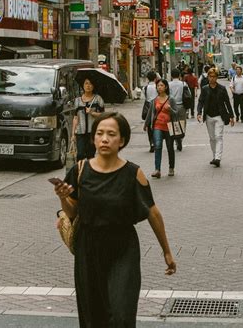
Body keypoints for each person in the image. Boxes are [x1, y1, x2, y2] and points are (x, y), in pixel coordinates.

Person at [53, 112, 176, 327]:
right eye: (99, 133)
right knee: (93, 316)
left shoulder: (133, 173)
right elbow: (72, 212)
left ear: (122, 140)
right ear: (93, 139)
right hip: (88, 248)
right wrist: (64, 198)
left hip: (122, 248)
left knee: (122, 315)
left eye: (111, 134)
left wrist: (166, 251)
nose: (104, 139)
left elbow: (152, 212)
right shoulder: (80, 170)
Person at [197, 68, 235, 168]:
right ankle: (214, 156)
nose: (212, 78)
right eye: (210, 76)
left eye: (214, 76)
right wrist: (199, 112)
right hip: (209, 116)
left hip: (220, 116)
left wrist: (231, 116)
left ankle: (218, 158)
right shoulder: (205, 89)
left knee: (218, 136)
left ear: (216, 77)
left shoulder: (222, 89)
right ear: (208, 77)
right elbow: (200, 101)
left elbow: (227, 102)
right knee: (212, 138)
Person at [143, 79, 179, 178]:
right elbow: (150, 113)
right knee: (158, 146)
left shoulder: (171, 99)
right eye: (158, 86)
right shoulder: (155, 100)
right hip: (157, 126)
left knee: (170, 147)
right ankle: (157, 169)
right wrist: (146, 124)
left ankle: (171, 168)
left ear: (166, 87)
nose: (159, 87)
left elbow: (176, 113)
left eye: (161, 85)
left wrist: (170, 109)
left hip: (169, 126)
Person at [72, 78, 105, 160]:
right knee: (80, 155)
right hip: (80, 132)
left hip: (92, 132)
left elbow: (103, 116)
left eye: (90, 84)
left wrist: (92, 113)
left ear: (93, 86)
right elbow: (75, 118)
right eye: (86, 83)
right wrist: (73, 134)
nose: (88, 86)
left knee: (90, 155)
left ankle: (89, 172)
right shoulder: (77, 101)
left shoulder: (98, 99)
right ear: (83, 86)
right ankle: (81, 171)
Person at [169, 68, 190, 152]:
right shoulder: (183, 84)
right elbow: (189, 95)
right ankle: (180, 139)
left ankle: (175, 139)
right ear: (179, 75)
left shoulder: (168, 84)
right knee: (182, 123)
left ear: (171, 75)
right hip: (181, 106)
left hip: (171, 106)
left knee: (172, 122)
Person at [141, 70, 158, 153]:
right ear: (155, 78)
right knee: (156, 124)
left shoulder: (145, 88)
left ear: (147, 78)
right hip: (156, 106)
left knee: (148, 125)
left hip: (148, 106)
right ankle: (156, 141)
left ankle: (151, 143)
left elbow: (145, 97)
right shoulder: (157, 86)